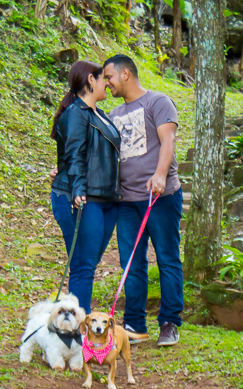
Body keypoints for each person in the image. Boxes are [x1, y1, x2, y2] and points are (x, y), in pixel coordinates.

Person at [104, 54, 183, 347]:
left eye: (109, 77)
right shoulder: (113, 114)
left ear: (126, 74)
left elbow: (168, 140)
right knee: (130, 263)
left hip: (160, 197)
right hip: (127, 202)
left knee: (167, 258)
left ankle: (169, 323)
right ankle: (135, 324)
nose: (106, 83)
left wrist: (160, 174)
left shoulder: (158, 102)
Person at [48, 60, 121, 313]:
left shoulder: (100, 114)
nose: (107, 83)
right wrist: (78, 189)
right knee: (82, 265)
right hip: (82, 198)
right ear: (91, 80)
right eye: (104, 78)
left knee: (87, 264)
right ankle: (77, 332)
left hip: (106, 199)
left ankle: (70, 322)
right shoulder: (76, 113)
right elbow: (75, 154)